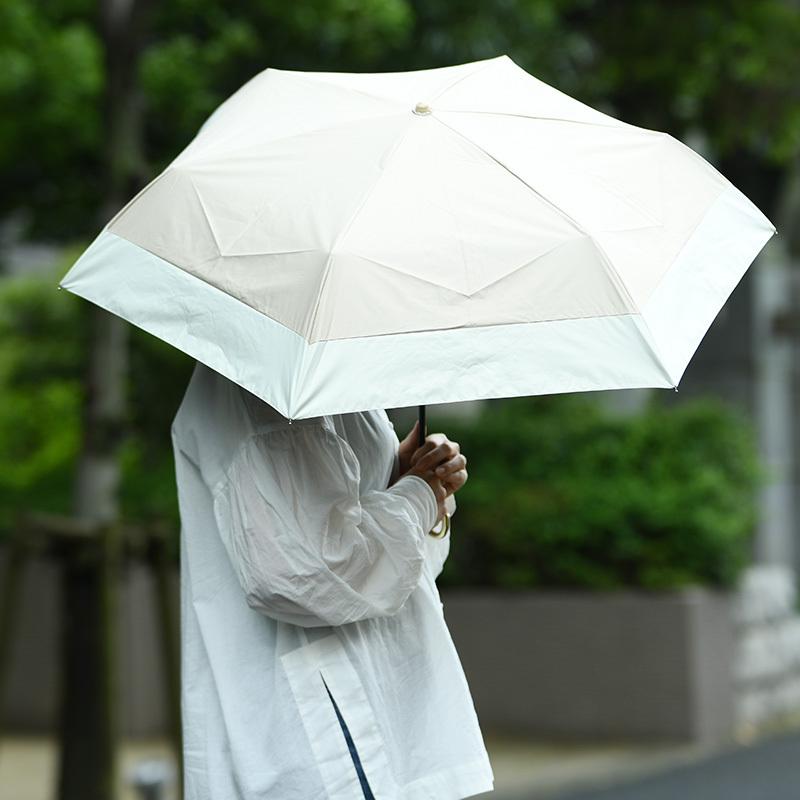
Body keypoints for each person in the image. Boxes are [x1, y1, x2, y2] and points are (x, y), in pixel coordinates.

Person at [171, 361, 494, 799]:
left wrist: (404, 476)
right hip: (330, 727)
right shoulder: (260, 386)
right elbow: (305, 575)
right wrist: (418, 494)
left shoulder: (327, 379)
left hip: (365, 715)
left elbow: (391, 567)